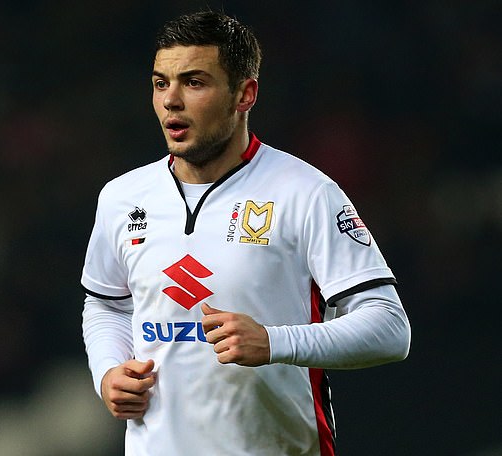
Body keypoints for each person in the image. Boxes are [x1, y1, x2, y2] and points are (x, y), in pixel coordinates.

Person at [81, 10, 410, 456]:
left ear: (244, 94)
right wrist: (108, 371)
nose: (171, 101)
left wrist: (276, 341)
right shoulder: (122, 197)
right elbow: (106, 304)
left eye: (194, 82)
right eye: (161, 83)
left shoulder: (305, 192)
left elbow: (390, 327)